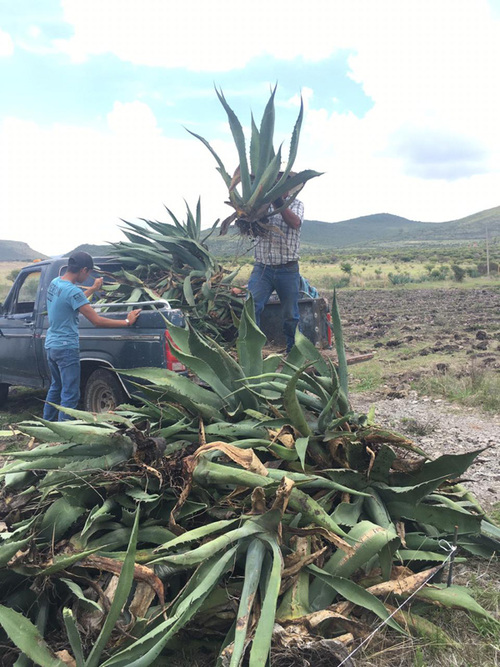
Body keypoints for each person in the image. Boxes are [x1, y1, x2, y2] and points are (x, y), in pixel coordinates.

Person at [43, 251, 141, 421]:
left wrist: (93, 289)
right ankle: (64, 433)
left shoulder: (56, 283)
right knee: (70, 393)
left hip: (52, 346)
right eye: (88, 273)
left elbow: (72, 300)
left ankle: (47, 425)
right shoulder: (73, 291)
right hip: (66, 348)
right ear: (83, 270)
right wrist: (126, 321)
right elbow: (96, 320)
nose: (88, 276)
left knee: (56, 388)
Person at [247, 190, 304, 353]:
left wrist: (277, 201)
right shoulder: (259, 203)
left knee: (290, 314)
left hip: (287, 268)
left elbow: (295, 223)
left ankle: (293, 351)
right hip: (262, 268)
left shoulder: (296, 204)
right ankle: (253, 351)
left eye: (282, 179)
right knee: (251, 307)